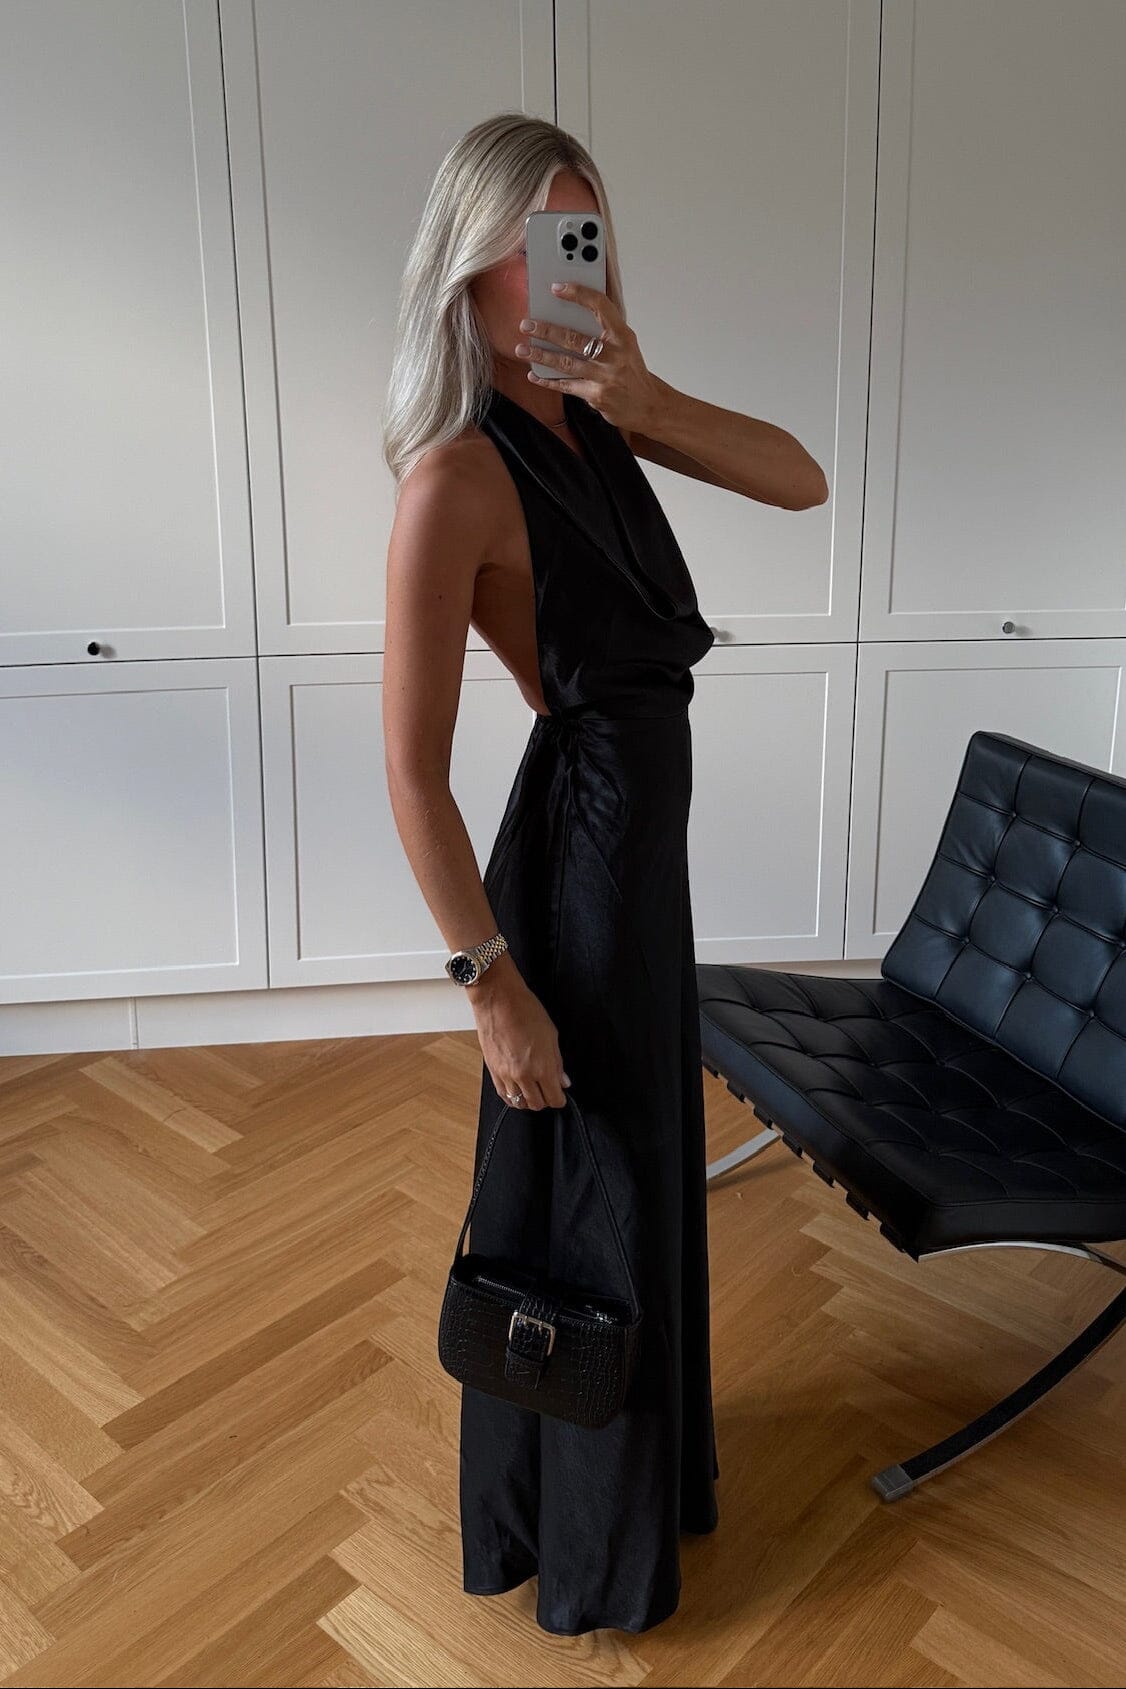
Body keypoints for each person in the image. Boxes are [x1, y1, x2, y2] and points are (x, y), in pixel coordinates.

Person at [381, 111, 828, 1637]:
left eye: (579, 237)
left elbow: (800, 478)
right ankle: (579, 1552)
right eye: (530, 243)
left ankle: (642, 1495)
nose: (560, 270)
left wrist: (643, 395)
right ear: (469, 267)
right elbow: (410, 772)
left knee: (633, 1182)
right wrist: (488, 984)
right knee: (588, 1201)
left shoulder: (598, 425)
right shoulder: (455, 479)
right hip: (573, 874)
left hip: (642, 871)